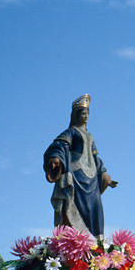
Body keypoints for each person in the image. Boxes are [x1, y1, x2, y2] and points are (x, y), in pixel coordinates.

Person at [43, 94, 117, 238]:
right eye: (83, 113)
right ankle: (75, 242)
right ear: (76, 115)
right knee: (75, 205)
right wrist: (56, 159)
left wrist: (104, 175)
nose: (86, 116)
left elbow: (95, 158)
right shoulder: (71, 132)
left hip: (92, 178)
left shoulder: (90, 136)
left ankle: (95, 244)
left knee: (94, 208)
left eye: (87, 113)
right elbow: (59, 146)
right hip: (77, 175)